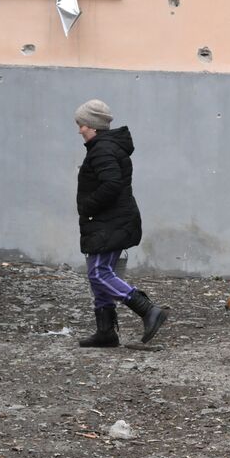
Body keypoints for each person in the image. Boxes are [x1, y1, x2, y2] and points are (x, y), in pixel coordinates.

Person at [74, 99, 167, 347]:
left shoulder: (103, 150)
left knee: (99, 272)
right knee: (98, 275)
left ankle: (148, 310)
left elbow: (112, 184)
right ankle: (105, 332)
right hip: (109, 221)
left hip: (109, 221)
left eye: (81, 124)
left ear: (92, 126)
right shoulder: (103, 147)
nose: (79, 129)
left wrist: (88, 205)